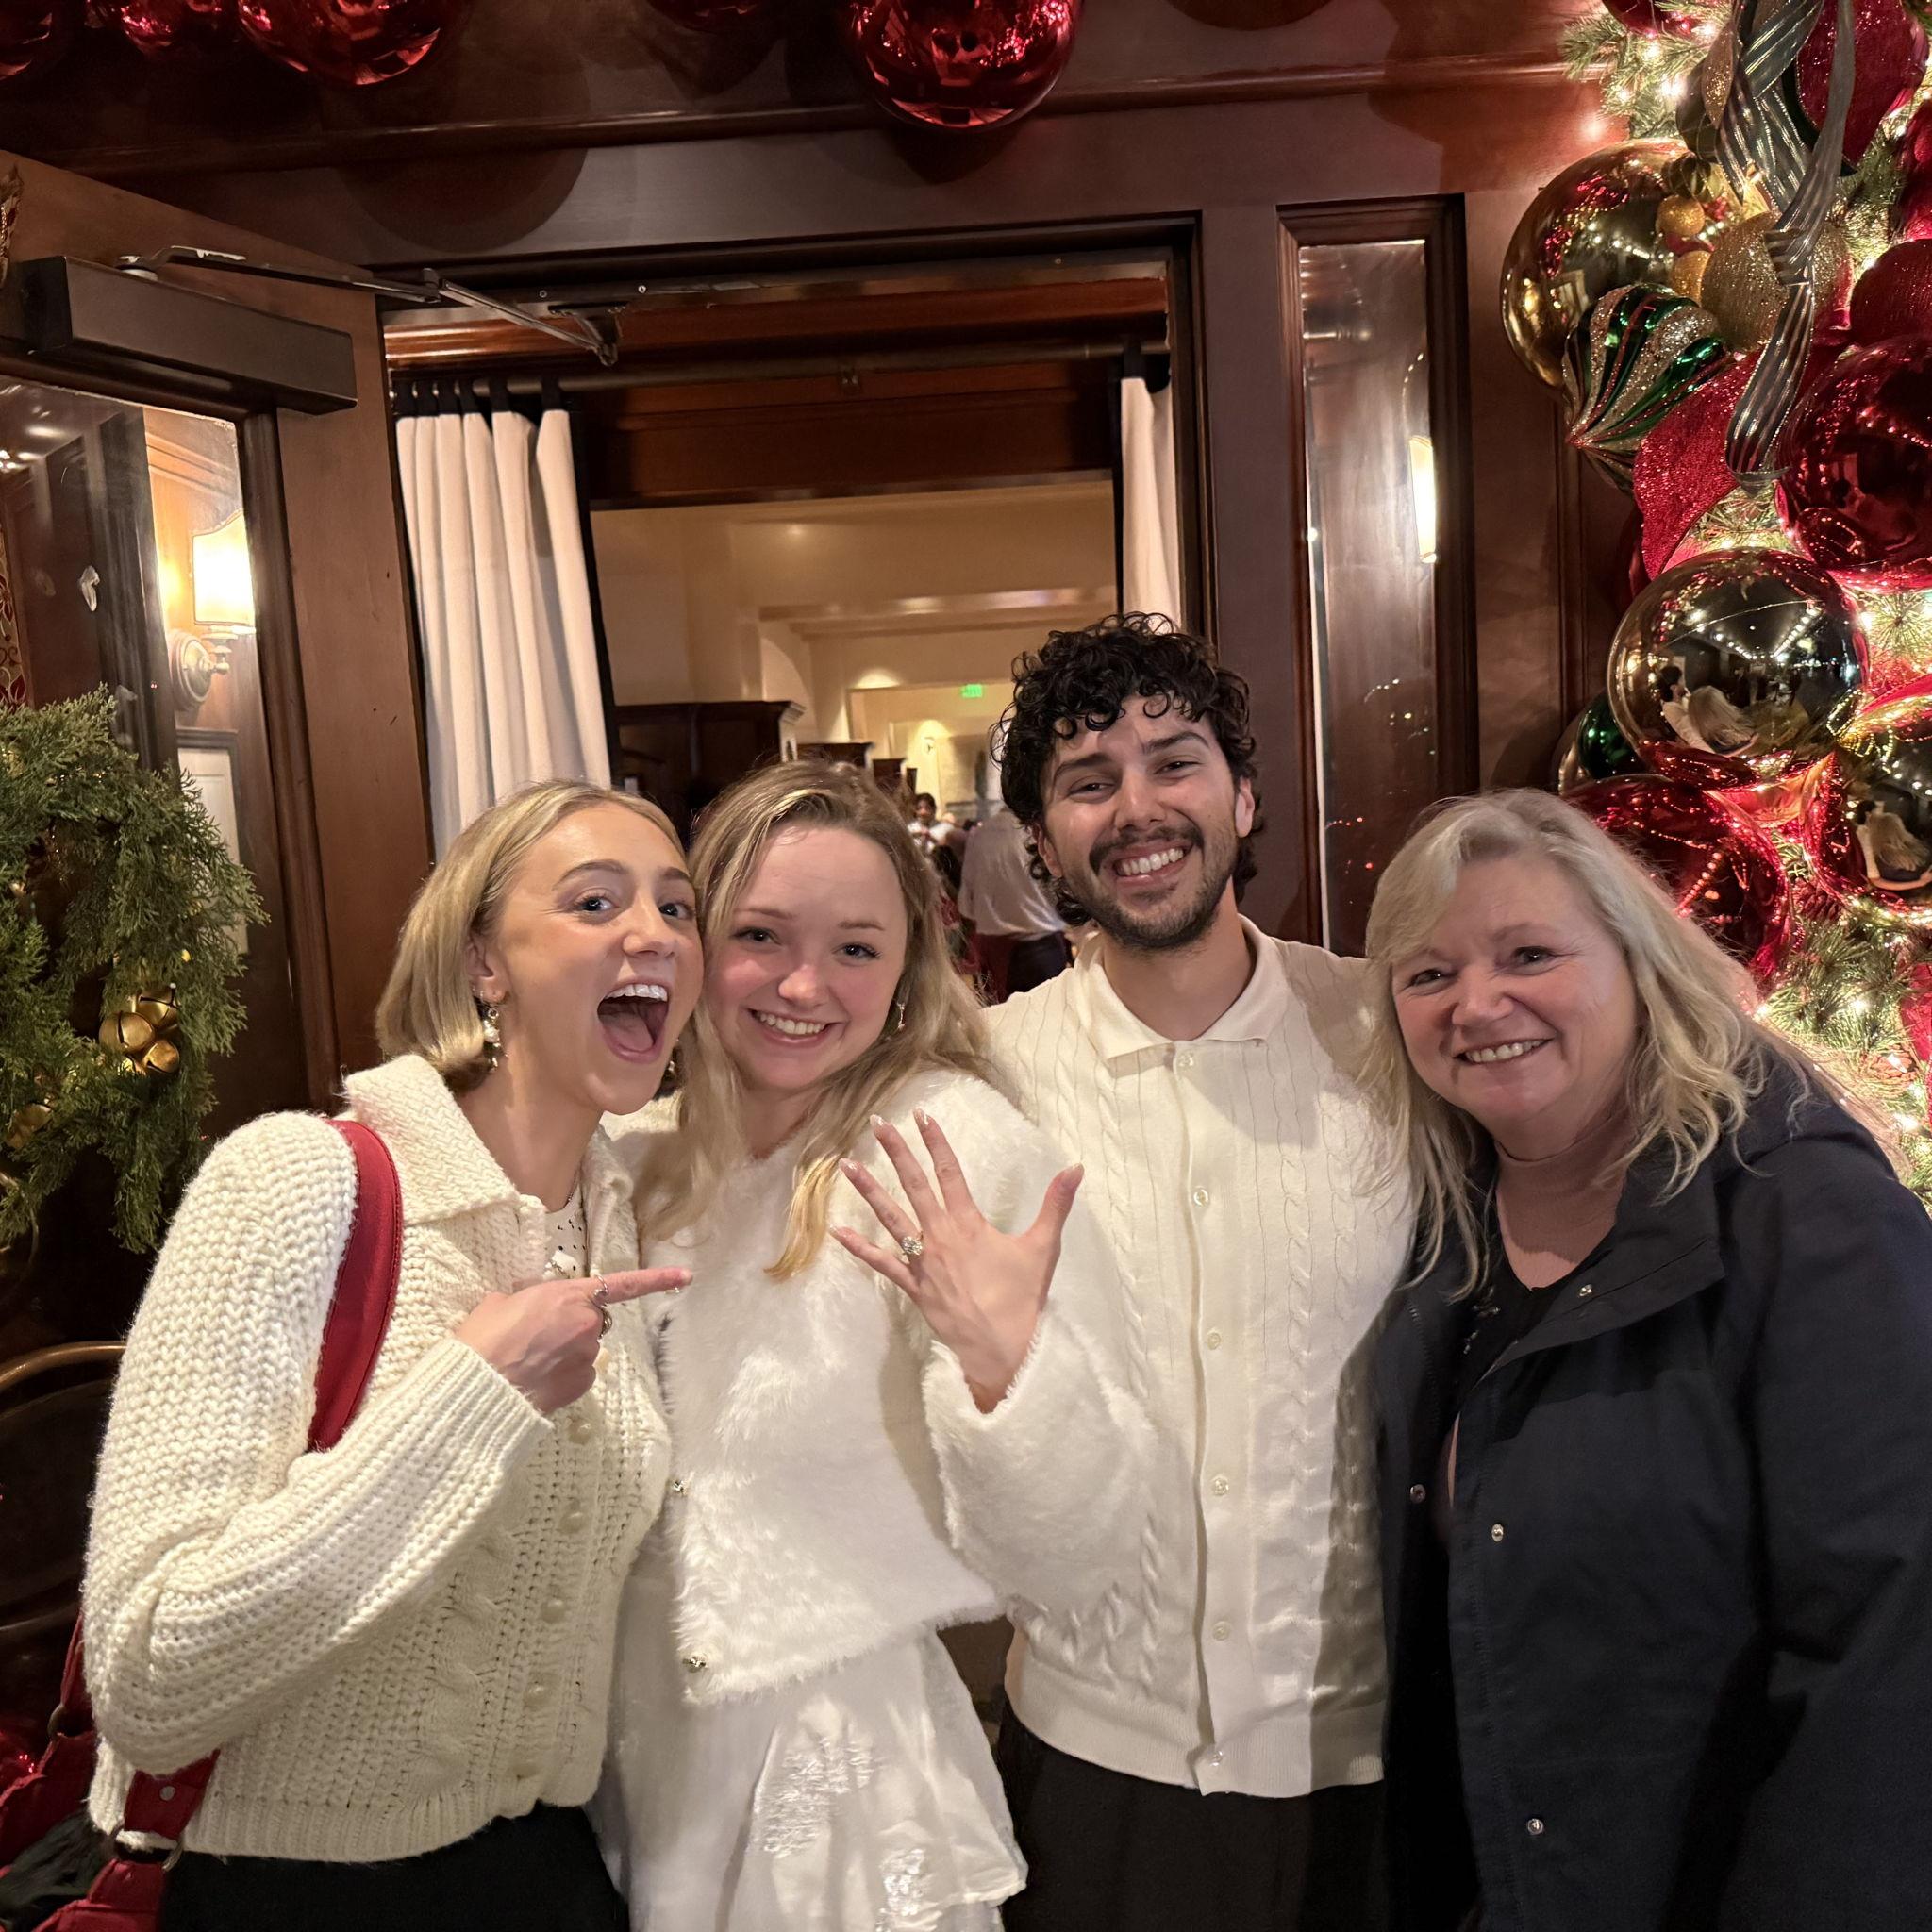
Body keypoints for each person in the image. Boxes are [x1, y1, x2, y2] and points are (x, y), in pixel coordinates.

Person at [79, 780, 702, 1932]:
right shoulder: (294, 1185)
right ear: (483, 963)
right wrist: (471, 1398)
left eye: (678, 906)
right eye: (593, 900)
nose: (653, 932)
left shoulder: (627, 1215)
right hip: (288, 1891)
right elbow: (148, 1681)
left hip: (545, 1867)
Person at [1363, 788, 1932, 1932]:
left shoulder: (1802, 1212)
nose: (1477, 1002)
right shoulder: (1432, 1231)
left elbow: (1890, 1650)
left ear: (1636, 962)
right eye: (1427, 974)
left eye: (1527, 952)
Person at [597, 758, 1149, 1932]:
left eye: (855, 946)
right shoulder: (634, 1163)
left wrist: (1010, 1374)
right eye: (759, 933)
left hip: (833, 1784)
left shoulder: (944, 1148)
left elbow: (1076, 1560)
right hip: (623, 1758)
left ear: (906, 971)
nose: (804, 983)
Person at [985, 614, 1413, 1931]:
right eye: (1085, 780)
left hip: (1369, 1756)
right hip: (1094, 1756)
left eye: (1173, 760)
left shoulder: (1391, 1034)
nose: (1137, 807)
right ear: (1045, 842)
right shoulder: (983, 1075)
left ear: (1243, 793)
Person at [957, 796, 1072, 1000]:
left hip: (996, 955)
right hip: (1043, 947)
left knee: (1002, 1024)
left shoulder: (979, 836)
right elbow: (1061, 895)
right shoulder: (1039, 833)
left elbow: (966, 905)